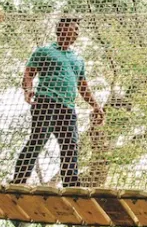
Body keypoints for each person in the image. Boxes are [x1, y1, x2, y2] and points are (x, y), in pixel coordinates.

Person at [11, 17, 103, 187]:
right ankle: (19, 179)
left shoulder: (78, 60)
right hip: (46, 101)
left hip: (67, 108)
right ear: (61, 29)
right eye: (73, 28)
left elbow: (83, 86)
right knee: (39, 138)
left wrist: (96, 106)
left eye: (77, 30)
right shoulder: (44, 51)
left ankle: (71, 185)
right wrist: (28, 89)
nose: (76, 33)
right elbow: (29, 74)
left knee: (71, 144)